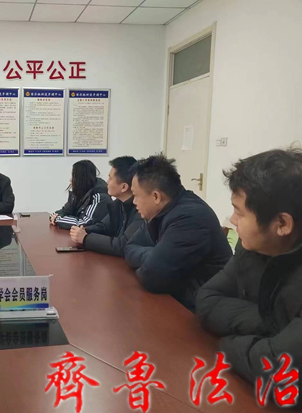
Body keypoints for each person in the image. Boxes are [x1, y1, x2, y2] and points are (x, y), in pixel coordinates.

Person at [196, 148, 302, 390]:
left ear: (282, 224)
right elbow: (207, 300)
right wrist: (275, 325)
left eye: (239, 212)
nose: (232, 220)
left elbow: (275, 370)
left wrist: (228, 343)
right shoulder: (251, 248)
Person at [124, 154, 232, 311]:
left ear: (156, 196)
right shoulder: (160, 212)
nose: (134, 202)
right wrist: (155, 255)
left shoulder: (191, 217)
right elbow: (129, 247)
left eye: (136, 195)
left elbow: (152, 277)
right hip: (177, 299)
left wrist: (155, 259)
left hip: (199, 309)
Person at [70, 156, 143, 257]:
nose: (107, 182)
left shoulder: (141, 210)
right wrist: (83, 230)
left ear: (123, 187)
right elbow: (103, 227)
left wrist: (86, 238)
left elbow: (123, 245)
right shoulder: (119, 204)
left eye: (110, 178)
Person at [50, 160, 111, 230]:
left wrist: (58, 219)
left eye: (73, 176)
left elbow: (84, 223)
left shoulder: (100, 197)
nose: (70, 179)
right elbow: (63, 211)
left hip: (93, 236)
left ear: (82, 178)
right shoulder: (79, 193)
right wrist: (54, 216)